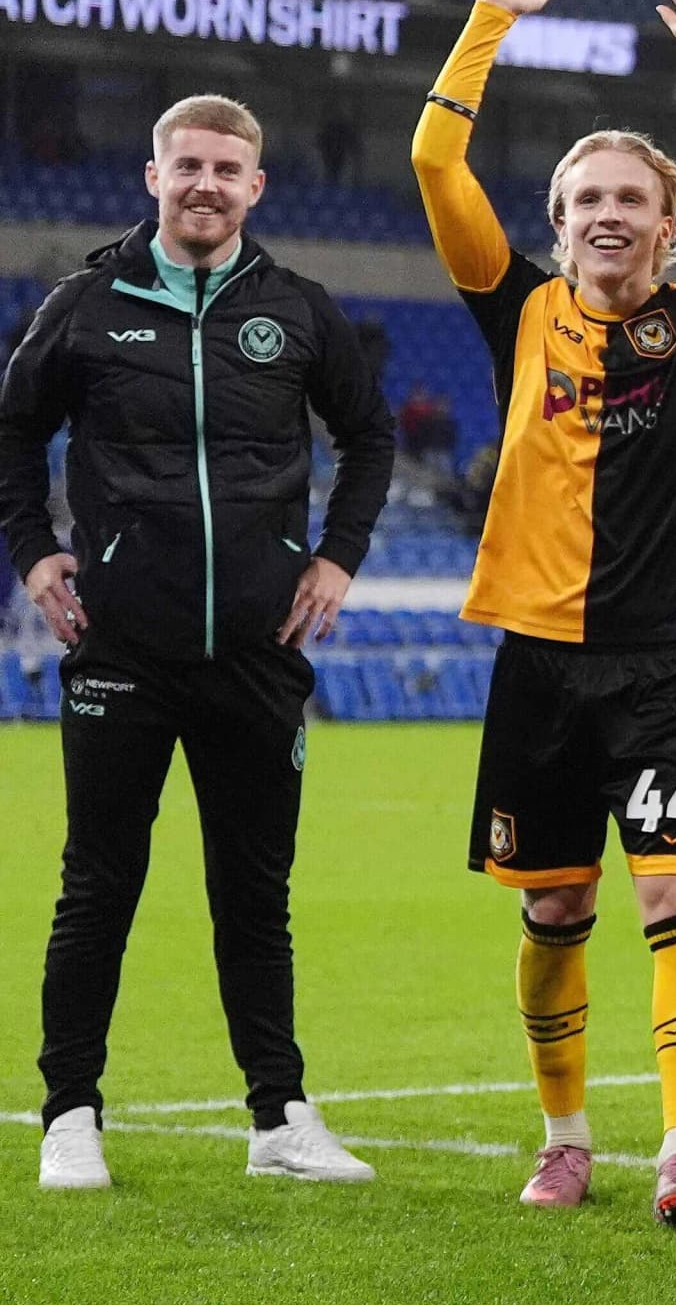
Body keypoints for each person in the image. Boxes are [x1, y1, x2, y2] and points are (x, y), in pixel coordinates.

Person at [416, 0, 676, 1230]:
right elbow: (435, 161)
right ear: (556, 222)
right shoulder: (515, 309)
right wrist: (487, 18)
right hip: (535, 660)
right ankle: (568, 1135)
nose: (603, 214)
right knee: (554, 907)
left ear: (665, 224)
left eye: (628, 199)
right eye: (585, 197)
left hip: (661, 666)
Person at [9, 94, 394, 1193]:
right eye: (189, 166)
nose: (207, 184)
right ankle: (70, 1113)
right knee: (98, 884)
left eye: (228, 168)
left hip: (260, 652)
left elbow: (368, 436)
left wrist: (339, 556)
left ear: (256, 186)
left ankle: (278, 1115)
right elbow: (10, 427)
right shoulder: (86, 305)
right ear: (153, 176)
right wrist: (35, 549)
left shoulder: (300, 311)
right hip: (122, 646)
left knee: (253, 893)